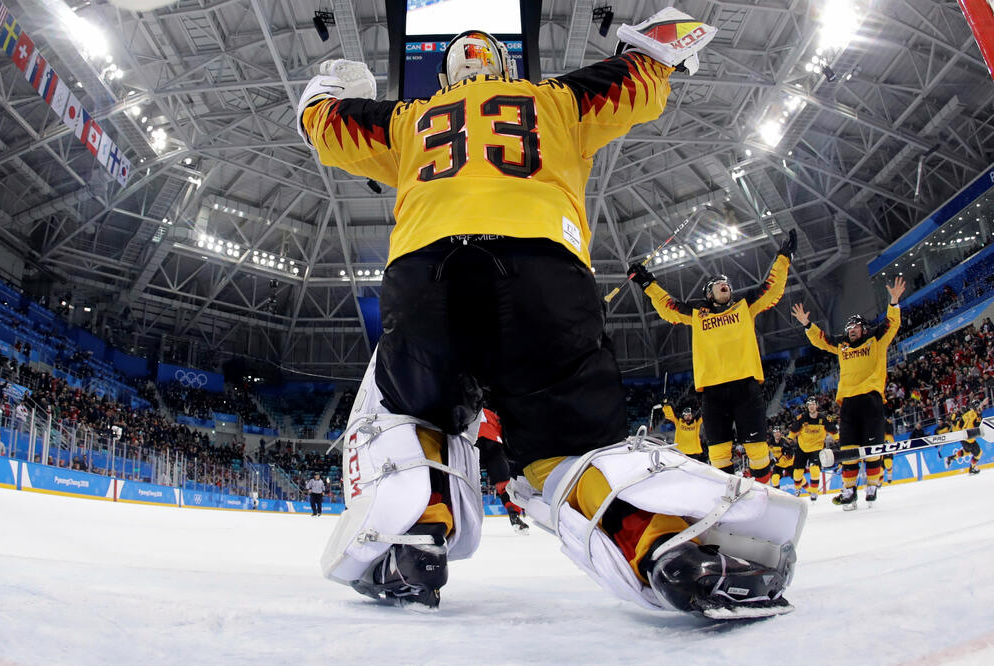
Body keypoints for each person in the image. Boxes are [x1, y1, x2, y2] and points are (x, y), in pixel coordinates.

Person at [301, 8, 804, 619]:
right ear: (508, 68)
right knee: (567, 450)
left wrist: (337, 88)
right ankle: (660, 544)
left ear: (445, 78)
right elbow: (645, 74)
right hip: (543, 269)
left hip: (424, 276)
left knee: (411, 413)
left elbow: (323, 124)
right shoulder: (557, 100)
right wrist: (662, 45)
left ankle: (417, 535)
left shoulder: (409, 121)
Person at [627, 229, 796, 482]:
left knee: (758, 451)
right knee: (718, 455)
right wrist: (646, 283)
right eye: (717, 283)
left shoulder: (744, 305)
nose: (723, 283)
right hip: (713, 393)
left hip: (745, 387)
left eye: (725, 282)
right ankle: (727, 503)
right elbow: (668, 308)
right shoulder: (697, 313)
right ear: (709, 294)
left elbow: (772, 289)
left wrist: (784, 256)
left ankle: (766, 494)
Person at [791, 276, 905, 510]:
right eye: (848, 328)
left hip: (871, 399)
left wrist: (893, 302)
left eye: (854, 327)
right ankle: (848, 490)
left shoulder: (876, 339)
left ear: (864, 328)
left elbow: (892, 324)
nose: (851, 331)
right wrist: (807, 325)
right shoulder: (842, 345)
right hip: (849, 403)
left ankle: (872, 486)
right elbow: (822, 341)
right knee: (848, 450)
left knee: (872, 449)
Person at [474, 407, 528, 533]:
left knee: (466, 482)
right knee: (504, 486)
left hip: (472, 445)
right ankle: (514, 516)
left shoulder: (466, 408)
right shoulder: (491, 414)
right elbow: (503, 432)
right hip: (493, 445)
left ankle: (464, 520)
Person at [786, 397, 836, 501]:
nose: (811, 406)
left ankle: (813, 492)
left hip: (816, 448)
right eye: (809, 405)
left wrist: (838, 440)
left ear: (816, 406)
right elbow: (793, 430)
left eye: (813, 404)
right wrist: (789, 440)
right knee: (797, 473)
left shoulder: (823, 418)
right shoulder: (802, 418)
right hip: (802, 448)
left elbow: (833, 430)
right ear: (807, 407)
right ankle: (798, 489)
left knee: (814, 469)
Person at [945, 399, 985, 475]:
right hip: (969, 439)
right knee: (979, 453)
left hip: (963, 436)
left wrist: (956, 423)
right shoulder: (977, 416)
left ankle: (950, 458)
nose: (981, 408)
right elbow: (978, 427)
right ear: (976, 408)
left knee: (966, 452)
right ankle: (972, 468)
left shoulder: (969, 413)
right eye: (980, 407)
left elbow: (960, 423)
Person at [768, 425, 793, 490]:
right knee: (774, 478)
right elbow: (768, 452)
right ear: (773, 434)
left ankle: (806, 488)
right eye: (775, 432)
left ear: (781, 433)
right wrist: (772, 460)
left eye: (778, 432)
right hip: (779, 464)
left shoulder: (785, 441)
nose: (777, 434)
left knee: (797, 476)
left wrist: (787, 453)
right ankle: (777, 493)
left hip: (789, 463)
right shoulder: (770, 442)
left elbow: (791, 454)